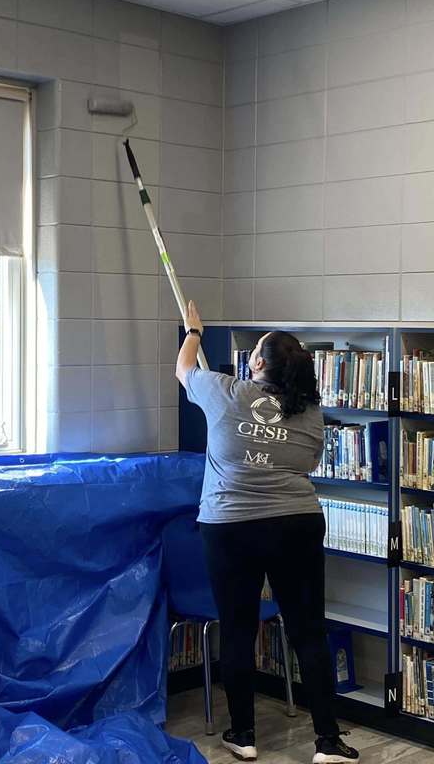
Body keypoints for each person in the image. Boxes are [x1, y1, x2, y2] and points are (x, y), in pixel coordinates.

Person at [175, 301, 359, 764]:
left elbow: (182, 369)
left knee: (237, 630)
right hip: (297, 522)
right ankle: (328, 741)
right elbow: (308, 463)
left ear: (256, 363)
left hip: (231, 526)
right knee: (308, 631)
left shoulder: (224, 391)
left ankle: (243, 735)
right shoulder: (311, 413)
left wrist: (194, 331)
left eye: (255, 349)